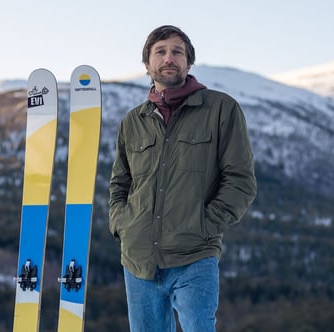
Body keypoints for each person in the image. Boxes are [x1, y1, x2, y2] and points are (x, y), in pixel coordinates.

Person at [109, 25, 257, 332]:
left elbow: (241, 180)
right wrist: (123, 225)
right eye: (160, 52)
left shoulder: (220, 109)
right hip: (138, 260)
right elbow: (120, 184)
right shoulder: (133, 122)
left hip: (194, 257)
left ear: (188, 62)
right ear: (147, 64)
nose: (169, 58)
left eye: (177, 52)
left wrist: (205, 224)